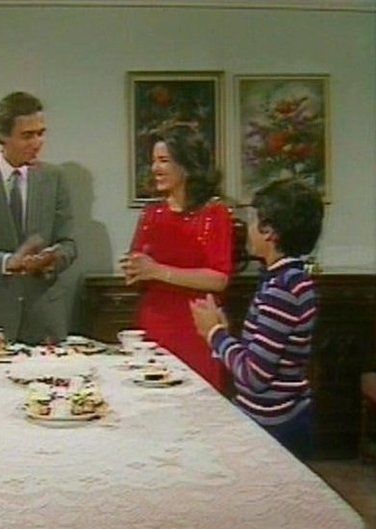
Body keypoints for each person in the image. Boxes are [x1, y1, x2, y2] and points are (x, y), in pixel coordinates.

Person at [190, 177, 324, 460]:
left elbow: (255, 376)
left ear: (270, 232)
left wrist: (214, 333)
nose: (247, 230)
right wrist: (224, 333)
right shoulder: (290, 280)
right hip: (276, 418)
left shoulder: (282, 289)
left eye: (253, 221)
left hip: (275, 426)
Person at [0, 91, 77, 345]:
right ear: (2, 136)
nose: (37, 142)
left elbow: (69, 244)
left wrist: (51, 260)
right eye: (27, 135)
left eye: (41, 133)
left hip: (45, 318)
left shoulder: (54, 178)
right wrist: (9, 263)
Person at [120, 126, 234, 393]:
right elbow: (139, 271)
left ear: (186, 165)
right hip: (155, 323)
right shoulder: (151, 214)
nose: (155, 168)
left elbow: (219, 279)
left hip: (196, 326)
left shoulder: (214, 213)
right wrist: (134, 270)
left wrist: (157, 271)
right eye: (153, 161)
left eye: (163, 160)